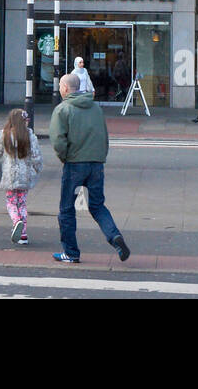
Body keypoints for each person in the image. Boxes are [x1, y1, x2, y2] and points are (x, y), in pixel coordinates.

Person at [50, 72, 130, 265]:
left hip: (75, 164)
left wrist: (65, 157)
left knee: (67, 209)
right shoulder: (95, 108)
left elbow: (58, 140)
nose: (60, 89)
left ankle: (71, 252)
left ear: (66, 89)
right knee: (97, 205)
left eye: (61, 86)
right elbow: (104, 136)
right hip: (96, 164)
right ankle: (115, 237)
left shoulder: (63, 109)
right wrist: (100, 157)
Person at [0, 107, 44, 246]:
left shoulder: (4, 135)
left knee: (11, 203)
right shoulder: (30, 136)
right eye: (27, 120)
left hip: (10, 176)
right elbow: (37, 158)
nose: (28, 122)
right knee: (22, 203)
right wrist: (36, 171)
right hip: (25, 177)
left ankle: (16, 221)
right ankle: (23, 234)